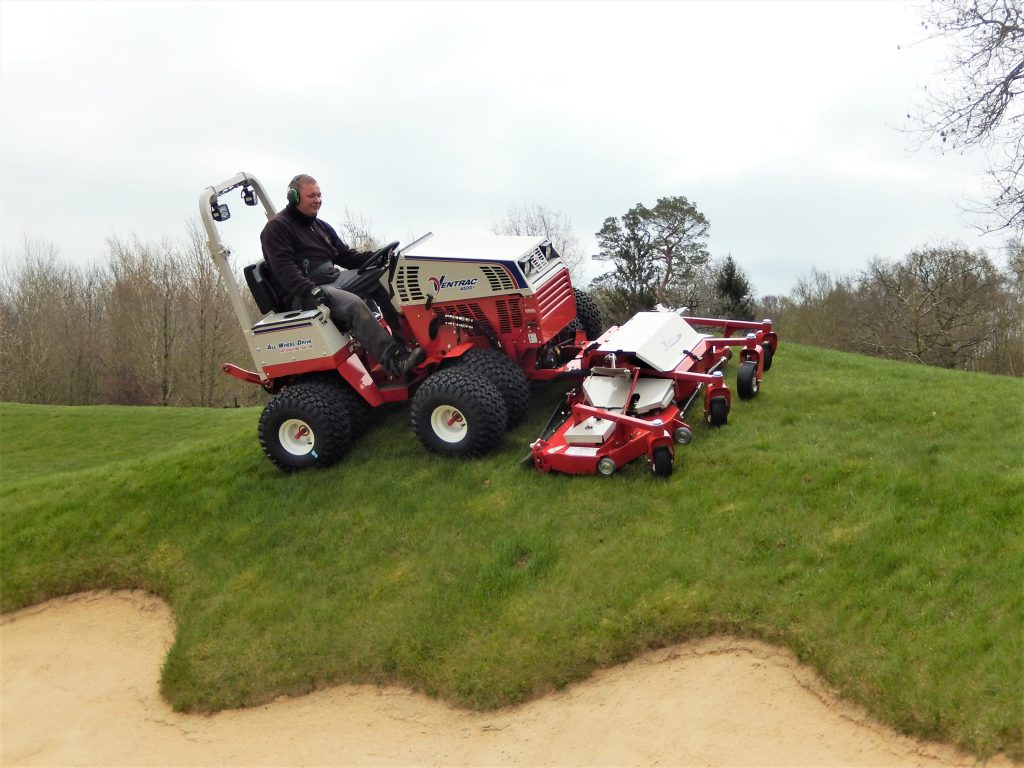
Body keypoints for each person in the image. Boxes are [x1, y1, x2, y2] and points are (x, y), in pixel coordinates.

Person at [260, 174, 425, 377]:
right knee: (353, 304)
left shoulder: (320, 227)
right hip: (304, 293)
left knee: (382, 278)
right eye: (311, 196)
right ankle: (396, 361)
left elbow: (346, 256)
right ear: (294, 197)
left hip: (333, 279)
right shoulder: (277, 228)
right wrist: (310, 290)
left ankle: (407, 342)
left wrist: (375, 257)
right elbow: (284, 269)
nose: (317, 200)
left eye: (319, 195)